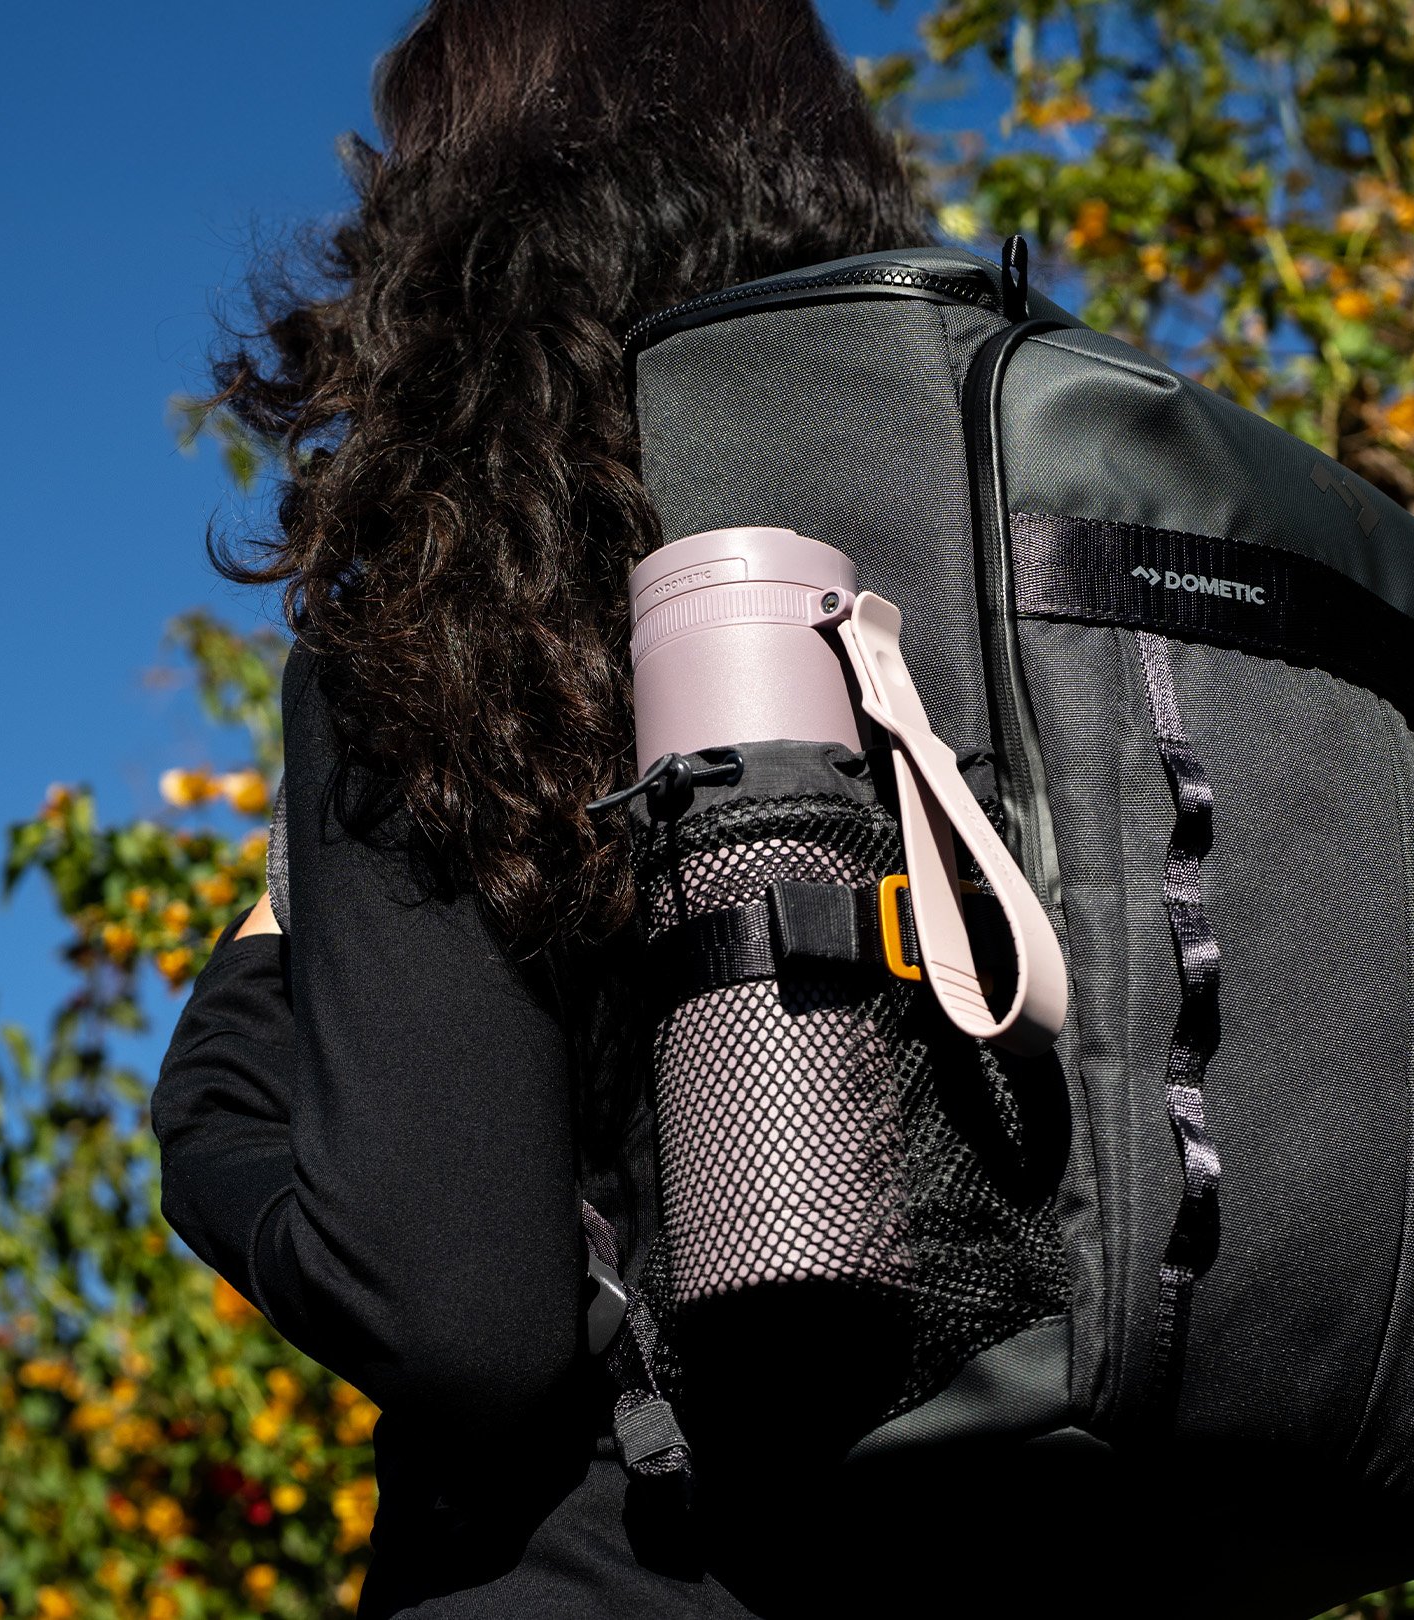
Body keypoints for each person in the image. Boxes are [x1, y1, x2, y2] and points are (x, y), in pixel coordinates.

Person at [147, 1, 1019, 1612]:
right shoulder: (994, 544)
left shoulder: (459, 603)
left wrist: (227, 1052)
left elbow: (454, 1318)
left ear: (456, 225)